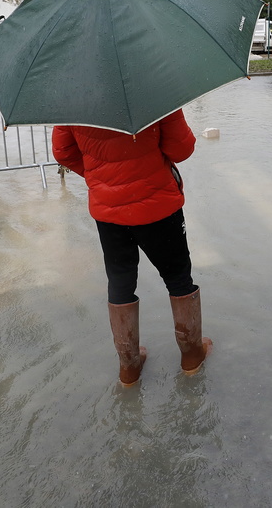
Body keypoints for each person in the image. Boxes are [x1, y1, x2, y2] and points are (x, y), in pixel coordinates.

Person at [52, 109, 212, 387]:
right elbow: (181, 148)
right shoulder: (155, 88)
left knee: (120, 280)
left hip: (108, 212)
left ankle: (129, 367)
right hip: (158, 206)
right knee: (177, 276)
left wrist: (101, 178)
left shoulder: (72, 100)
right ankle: (191, 355)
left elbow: (63, 152)